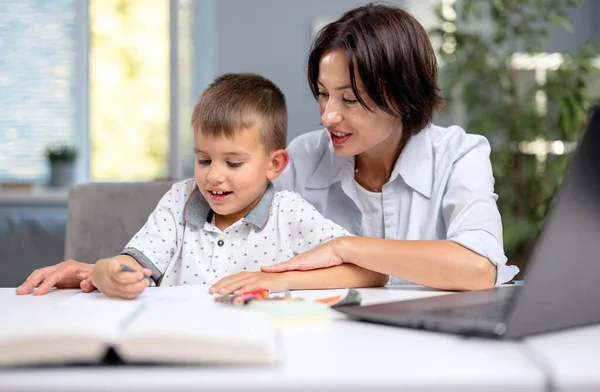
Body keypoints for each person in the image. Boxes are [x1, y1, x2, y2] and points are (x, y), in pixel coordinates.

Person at [16, 73, 387, 298]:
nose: (214, 176)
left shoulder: (289, 212)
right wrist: (105, 273)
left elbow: (371, 271)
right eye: (204, 159)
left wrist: (276, 280)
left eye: (234, 162)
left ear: (274, 164)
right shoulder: (181, 199)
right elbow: (134, 262)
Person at [257, 3, 519, 291]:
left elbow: (479, 268)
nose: (328, 116)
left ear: (401, 95)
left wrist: (345, 247)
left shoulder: (459, 155)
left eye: (349, 99)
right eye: (323, 93)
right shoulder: (303, 158)